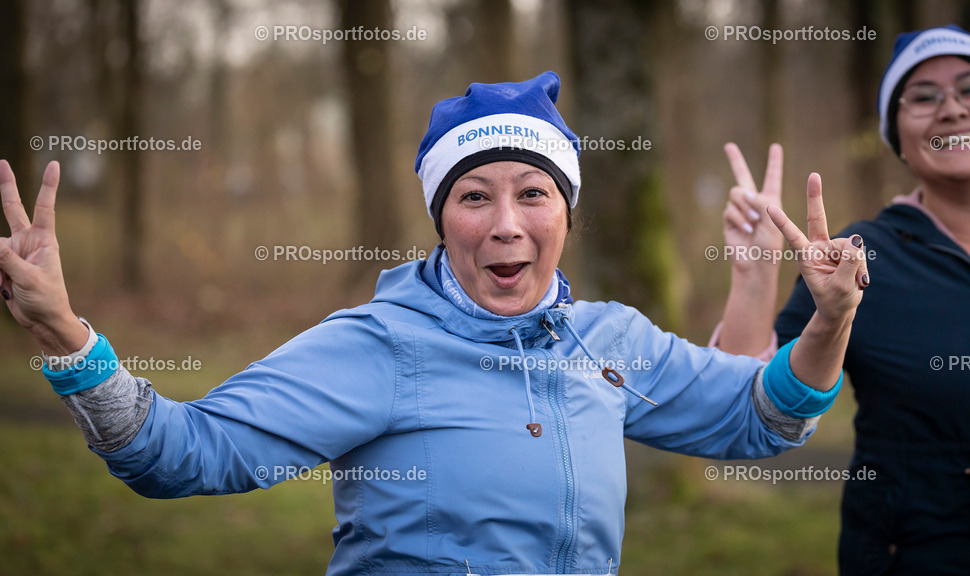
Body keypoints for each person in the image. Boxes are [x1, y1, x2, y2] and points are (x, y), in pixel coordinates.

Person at [1, 71, 865, 576]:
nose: (505, 225)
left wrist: (827, 321)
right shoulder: (378, 345)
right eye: (473, 197)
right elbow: (180, 455)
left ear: (566, 213)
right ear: (440, 215)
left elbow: (764, 419)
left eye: (533, 194)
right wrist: (68, 338)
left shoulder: (610, 340)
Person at [716, 25, 970, 576]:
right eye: (923, 98)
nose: (951, 109)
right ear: (896, 138)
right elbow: (746, 413)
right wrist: (756, 275)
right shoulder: (859, 257)